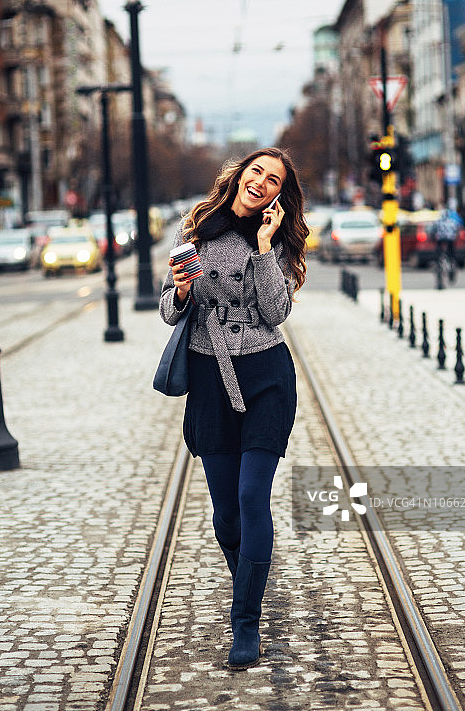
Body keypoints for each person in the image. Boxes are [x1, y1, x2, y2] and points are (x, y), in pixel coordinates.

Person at [159, 147, 309, 670]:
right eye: (256, 173)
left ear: (280, 194)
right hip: (209, 380)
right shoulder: (197, 227)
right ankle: (251, 575)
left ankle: (245, 620)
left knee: (251, 497)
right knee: (226, 515)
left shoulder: (281, 243)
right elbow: (168, 309)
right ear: (240, 175)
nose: (262, 183)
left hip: (266, 377)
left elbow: (274, 313)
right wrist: (178, 292)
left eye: (274, 180)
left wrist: (265, 246)